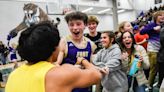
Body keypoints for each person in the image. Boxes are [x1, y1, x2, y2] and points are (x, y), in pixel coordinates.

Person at [5, 22, 104, 92]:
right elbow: (96, 75)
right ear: (54, 47)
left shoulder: (13, 75)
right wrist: (82, 60)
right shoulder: (61, 73)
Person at [56, 11, 97, 92]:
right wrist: (71, 69)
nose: (75, 28)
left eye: (78, 24)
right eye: (71, 25)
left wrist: (100, 68)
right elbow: (56, 65)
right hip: (68, 87)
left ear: (85, 25)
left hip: (85, 87)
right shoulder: (64, 42)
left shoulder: (90, 44)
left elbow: (92, 64)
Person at [140, 11, 164, 91]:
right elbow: (141, 32)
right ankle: (149, 85)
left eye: (163, 15)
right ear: (156, 17)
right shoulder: (152, 24)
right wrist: (153, 28)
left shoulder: (162, 25)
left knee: (158, 70)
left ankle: (157, 83)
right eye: (160, 15)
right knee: (154, 70)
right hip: (153, 51)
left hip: (160, 51)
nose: (162, 16)